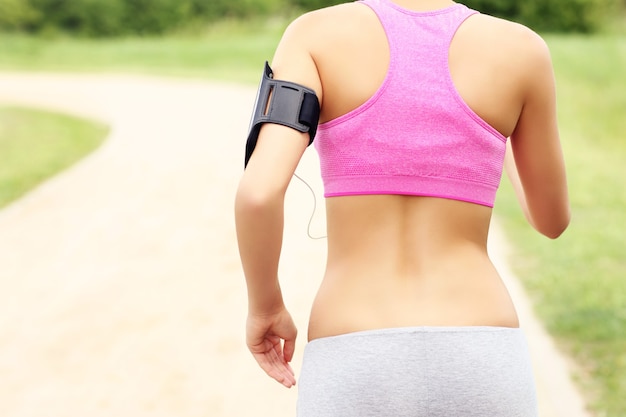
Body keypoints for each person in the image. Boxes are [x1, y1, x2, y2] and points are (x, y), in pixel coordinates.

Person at [235, 0, 570, 415]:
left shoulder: (314, 35)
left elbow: (258, 194)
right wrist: (497, 135)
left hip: (352, 354)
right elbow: (551, 220)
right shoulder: (521, 49)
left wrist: (266, 307)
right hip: (481, 354)